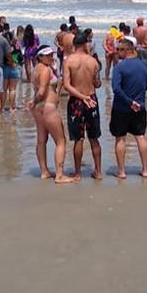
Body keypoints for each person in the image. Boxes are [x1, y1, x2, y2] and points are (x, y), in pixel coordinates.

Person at [29, 45, 75, 184]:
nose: (51, 57)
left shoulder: (35, 69)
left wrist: (54, 71)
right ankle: (59, 175)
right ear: (40, 57)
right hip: (47, 106)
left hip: (39, 109)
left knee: (41, 140)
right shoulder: (45, 70)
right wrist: (33, 100)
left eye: (51, 55)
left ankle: (44, 171)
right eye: (47, 55)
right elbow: (42, 91)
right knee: (61, 141)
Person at [110, 39, 147, 179]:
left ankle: (122, 171)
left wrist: (129, 101)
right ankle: (145, 170)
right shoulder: (144, 65)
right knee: (140, 136)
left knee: (120, 138)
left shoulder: (119, 67)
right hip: (139, 107)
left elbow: (116, 89)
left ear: (126, 50)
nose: (116, 53)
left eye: (118, 50)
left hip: (122, 108)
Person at [63, 32, 103, 180]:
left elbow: (67, 85)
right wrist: (87, 96)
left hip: (76, 101)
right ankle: (98, 171)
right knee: (94, 137)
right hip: (91, 100)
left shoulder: (69, 61)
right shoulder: (93, 61)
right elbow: (97, 84)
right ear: (86, 44)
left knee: (78, 139)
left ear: (74, 45)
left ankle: (78, 173)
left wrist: (81, 97)